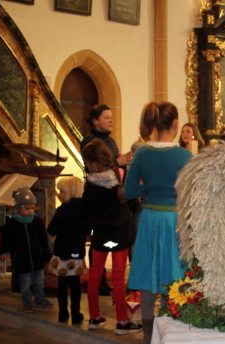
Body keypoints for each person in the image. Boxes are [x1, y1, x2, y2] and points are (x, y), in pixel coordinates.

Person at [124, 101, 192, 344]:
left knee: (147, 275)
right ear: (175, 124)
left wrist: (150, 187)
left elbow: (129, 190)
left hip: (150, 217)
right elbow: (191, 191)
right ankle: (169, 330)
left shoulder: (142, 152)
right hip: (174, 219)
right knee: (172, 273)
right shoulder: (184, 154)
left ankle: (147, 333)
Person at [81, 139, 142, 335]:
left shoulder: (89, 185)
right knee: (117, 277)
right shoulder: (119, 176)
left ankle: (94, 317)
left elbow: (87, 212)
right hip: (119, 234)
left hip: (101, 236)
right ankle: (122, 322)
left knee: (94, 276)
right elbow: (132, 204)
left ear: (91, 162)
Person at [81, 104, 132, 295]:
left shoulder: (110, 141)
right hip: (102, 201)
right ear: (95, 120)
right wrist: (116, 163)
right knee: (100, 247)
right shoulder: (89, 141)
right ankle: (99, 281)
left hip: (115, 198)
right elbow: (95, 167)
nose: (111, 120)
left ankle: (102, 286)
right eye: (106, 117)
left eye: (112, 117)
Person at [0, 187, 53, 313]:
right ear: (18, 207)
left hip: (37, 259)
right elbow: (6, 239)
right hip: (22, 260)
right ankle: (27, 302)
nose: (30, 211)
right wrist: (3, 251)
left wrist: (47, 256)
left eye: (32, 208)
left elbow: (44, 240)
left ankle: (40, 299)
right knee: (25, 283)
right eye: (26, 208)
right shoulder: (12, 224)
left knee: (39, 281)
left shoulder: (37, 221)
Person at [47, 177, 88, 324]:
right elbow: (88, 230)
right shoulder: (85, 209)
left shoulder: (63, 210)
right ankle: (76, 313)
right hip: (77, 253)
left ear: (69, 192)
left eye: (61, 191)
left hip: (63, 253)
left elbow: (51, 230)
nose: (59, 194)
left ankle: (63, 313)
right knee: (76, 285)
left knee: (62, 285)